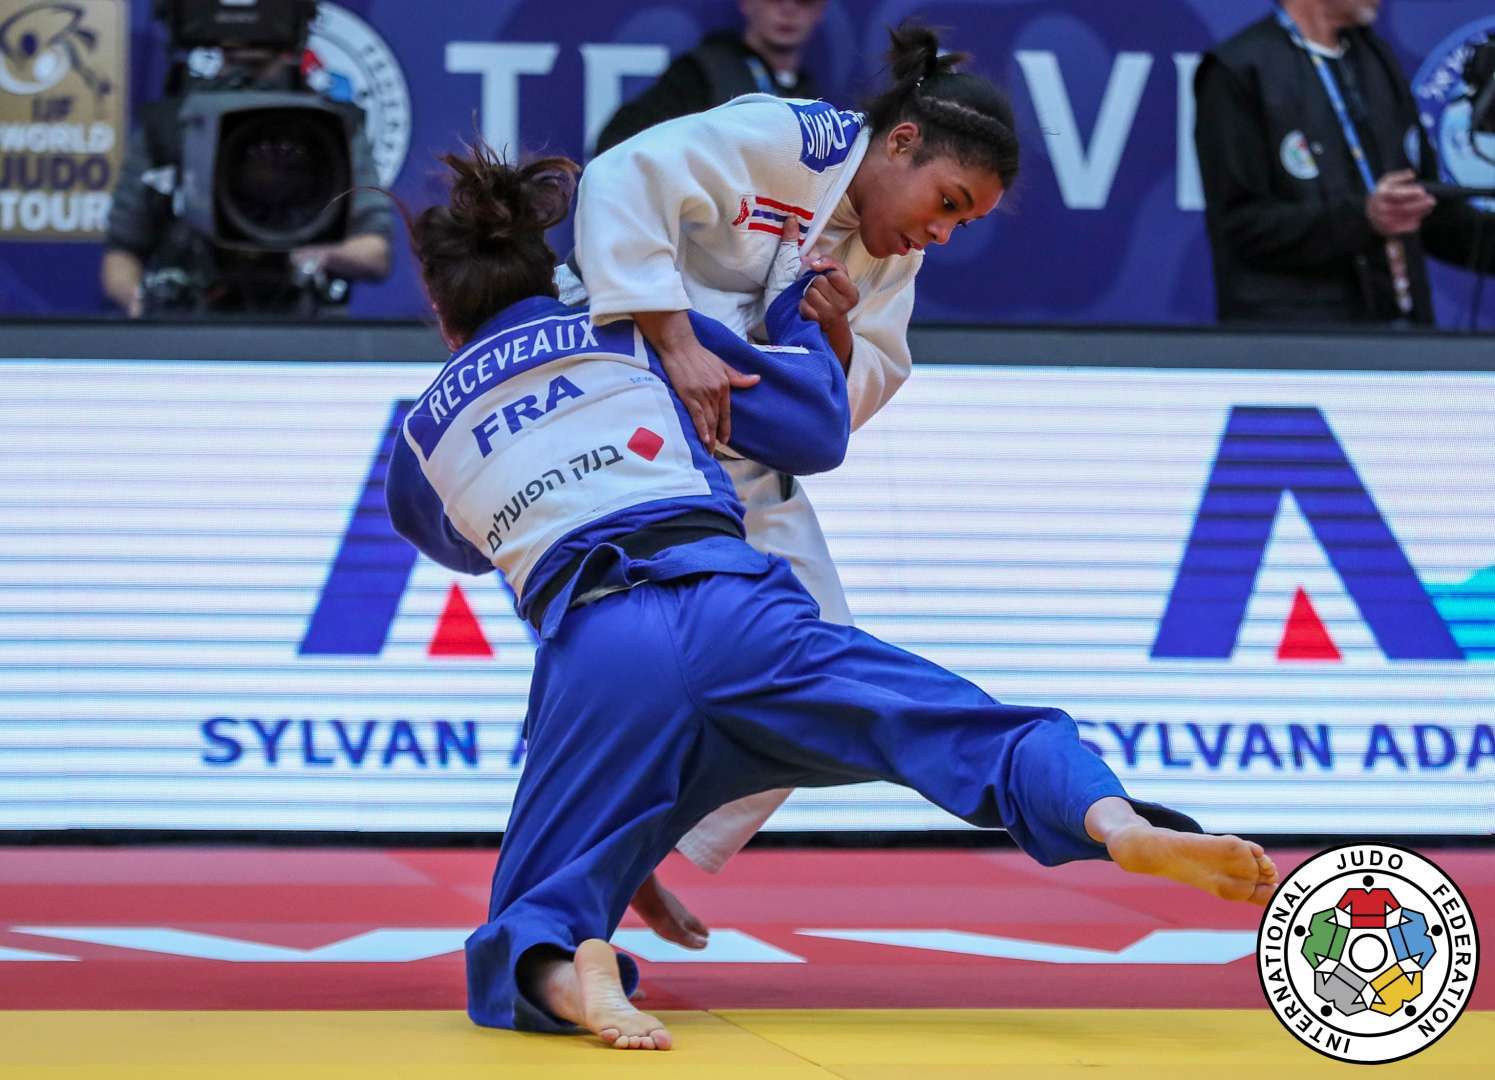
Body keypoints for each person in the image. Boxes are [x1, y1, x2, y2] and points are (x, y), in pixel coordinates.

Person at [384, 139, 1280, 1050]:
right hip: (738, 616)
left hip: (600, 653)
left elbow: (459, 542)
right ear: (548, 268)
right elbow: (811, 430)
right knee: (978, 732)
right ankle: (1117, 823)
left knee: (524, 916)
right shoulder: (635, 327)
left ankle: (568, 975)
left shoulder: (421, 434)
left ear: (441, 313)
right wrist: (795, 320)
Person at [568, 23, 1019, 943]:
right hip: (622, 386)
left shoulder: (893, 254)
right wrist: (675, 340)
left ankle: (637, 839)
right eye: (945, 201)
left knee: (817, 651)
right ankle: (586, 850)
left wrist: (836, 333)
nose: (940, 232)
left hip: (730, 433)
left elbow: (844, 406)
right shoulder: (788, 139)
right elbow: (617, 180)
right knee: (629, 651)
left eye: (962, 224)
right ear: (899, 142)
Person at [1194, 0, 1495, 325]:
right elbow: (1239, 227)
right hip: (1296, 337)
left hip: (1397, 332)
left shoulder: (1375, 58)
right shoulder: (1237, 70)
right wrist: (1363, 219)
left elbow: (1429, 210)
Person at [101, 41, 392, 317]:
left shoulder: (332, 127)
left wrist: (312, 254)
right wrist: (143, 305)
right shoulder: (170, 127)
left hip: (301, 320)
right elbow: (121, 253)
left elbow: (375, 252)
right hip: (190, 313)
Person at [594, 0, 828, 156]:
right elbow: (616, 144)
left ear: (820, 10)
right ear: (746, 3)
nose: (788, 9)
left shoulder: (810, 96)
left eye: (804, 0)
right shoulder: (701, 73)